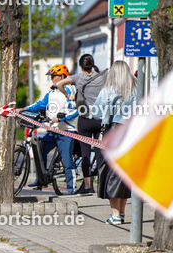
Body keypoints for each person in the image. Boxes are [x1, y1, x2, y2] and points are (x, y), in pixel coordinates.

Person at [92, 61, 138, 224]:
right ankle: (122, 212)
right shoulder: (136, 90)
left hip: (113, 133)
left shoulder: (107, 90)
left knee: (110, 173)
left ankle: (115, 215)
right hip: (131, 134)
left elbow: (96, 113)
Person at [22, 64, 78, 194]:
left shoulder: (70, 90)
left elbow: (75, 110)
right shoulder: (52, 92)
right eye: (51, 76)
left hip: (66, 130)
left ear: (62, 76)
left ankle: (71, 188)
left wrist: (61, 119)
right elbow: (40, 104)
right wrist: (24, 109)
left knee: (67, 160)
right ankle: (41, 179)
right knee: (40, 148)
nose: (52, 79)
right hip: (53, 130)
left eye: (54, 76)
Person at [56, 54, 106, 194]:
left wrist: (69, 96)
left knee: (85, 154)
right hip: (99, 119)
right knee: (100, 153)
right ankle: (101, 185)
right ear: (92, 64)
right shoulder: (102, 77)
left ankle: (87, 186)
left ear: (81, 66)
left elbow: (59, 84)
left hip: (85, 120)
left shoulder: (78, 77)